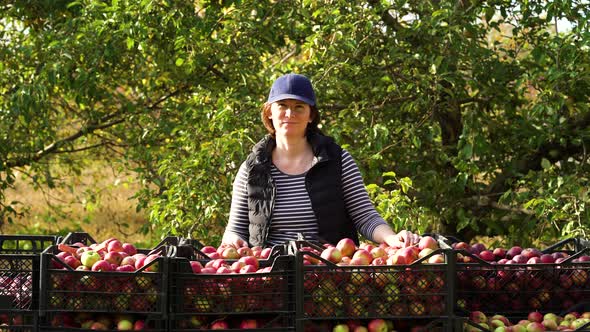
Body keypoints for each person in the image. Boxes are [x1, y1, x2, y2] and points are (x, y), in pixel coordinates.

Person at [222, 73, 419, 248]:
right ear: (269, 113)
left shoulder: (337, 161)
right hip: (271, 272)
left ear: (311, 115)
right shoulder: (252, 169)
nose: (289, 114)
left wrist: (392, 238)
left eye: (299, 107)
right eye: (282, 106)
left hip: (328, 272)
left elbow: (365, 216)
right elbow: (235, 229)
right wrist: (232, 240)